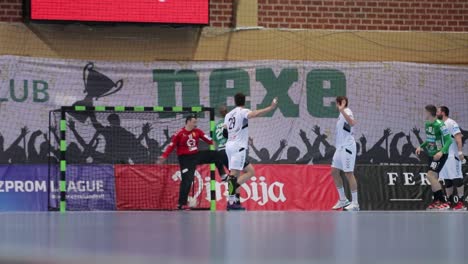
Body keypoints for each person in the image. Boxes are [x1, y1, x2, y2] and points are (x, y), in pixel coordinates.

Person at [158, 115, 226, 210]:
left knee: (216, 155)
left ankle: (222, 174)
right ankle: (181, 204)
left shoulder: (198, 132)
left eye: (196, 122)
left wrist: (221, 141)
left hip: (196, 155)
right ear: (188, 122)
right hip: (185, 159)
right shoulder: (179, 133)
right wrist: (164, 156)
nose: (195, 124)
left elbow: (209, 140)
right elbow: (171, 145)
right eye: (194, 122)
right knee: (187, 180)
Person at [224, 93, 278, 210]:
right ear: (244, 102)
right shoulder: (242, 111)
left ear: (235, 101)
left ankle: (236, 200)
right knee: (234, 174)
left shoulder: (228, 115)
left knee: (247, 172)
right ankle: (231, 201)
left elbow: (225, 130)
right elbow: (255, 114)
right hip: (238, 147)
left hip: (229, 145)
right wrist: (270, 108)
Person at [415, 105, 452, 210]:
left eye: (424, 112)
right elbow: (430, 139)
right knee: (433, 178)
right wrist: (421, 146)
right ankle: (436, 201)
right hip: (432, 155)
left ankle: (443, 201)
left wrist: (441, 152)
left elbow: (449, 140)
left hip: (440, 155)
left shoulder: (440, 125)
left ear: (429, 113)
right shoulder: (427, 124)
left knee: (430, 176)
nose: (423, 115)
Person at [330, 96, 359, 211]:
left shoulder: (347, 111)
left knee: (348, 173)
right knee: (334, 172)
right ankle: (343, 199)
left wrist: (342, 110)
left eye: (342, 103)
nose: (340, 105)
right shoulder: (340, 116)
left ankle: (355, 203)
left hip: (348, 147)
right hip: (340, 148)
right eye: (339, 103)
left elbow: (352, 123)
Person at [437, 106, 465, 210]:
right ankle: (449, 202)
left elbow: (458, 137)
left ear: (443, 113)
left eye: (438, 111)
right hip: (444, 157)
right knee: (447, 180)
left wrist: (460, 152)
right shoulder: (439, 125)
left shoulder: (451, 123)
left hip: (453, 156)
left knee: (457, 179)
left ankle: (461, 203)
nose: (436, 113)